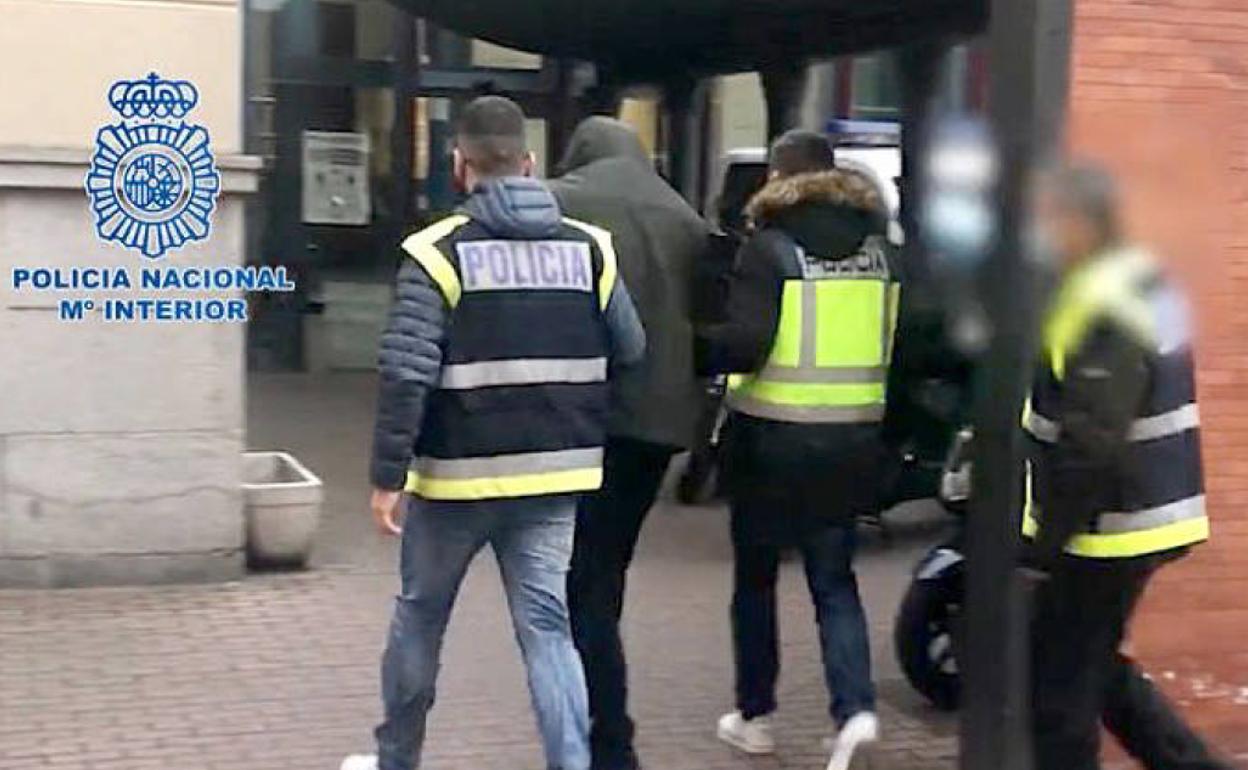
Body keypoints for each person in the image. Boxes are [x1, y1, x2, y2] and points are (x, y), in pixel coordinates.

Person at [341, 96, 646, 770]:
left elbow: (405, 373)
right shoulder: (591, 250)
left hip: (457, 481)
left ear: (460, 166)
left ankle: (397, 760)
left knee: (421, 618)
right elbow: (631, 347)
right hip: (557, 475)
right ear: (529, 164)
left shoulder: (434, 253)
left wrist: (387, 477)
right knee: (549, 633)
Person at [696, 129, 896, 770]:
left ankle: (754, 717)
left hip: (772, 442)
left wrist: (698, 344)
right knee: (834, 582)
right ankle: (855, 710)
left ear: (780, 177)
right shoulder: (879, 251)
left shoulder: (770, 249)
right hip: (854, 441)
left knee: (755, 581)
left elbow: (747, 345)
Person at [1024, 162, 1233, 770]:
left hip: (1110, 524)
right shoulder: (1138, 281)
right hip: (1139, 512)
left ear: (1081, 223)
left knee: (1057, 691)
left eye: (1051, 220)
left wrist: (1049, 543)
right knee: (1097, 668)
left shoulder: (1106, 299)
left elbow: (1093, 434)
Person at [548, 117, 711, 770]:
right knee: (603, 572)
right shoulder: (685, 216)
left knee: (575, 584)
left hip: (585, 418)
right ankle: (601, 731)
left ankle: (607, 741)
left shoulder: (562, 200)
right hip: (660, 427)